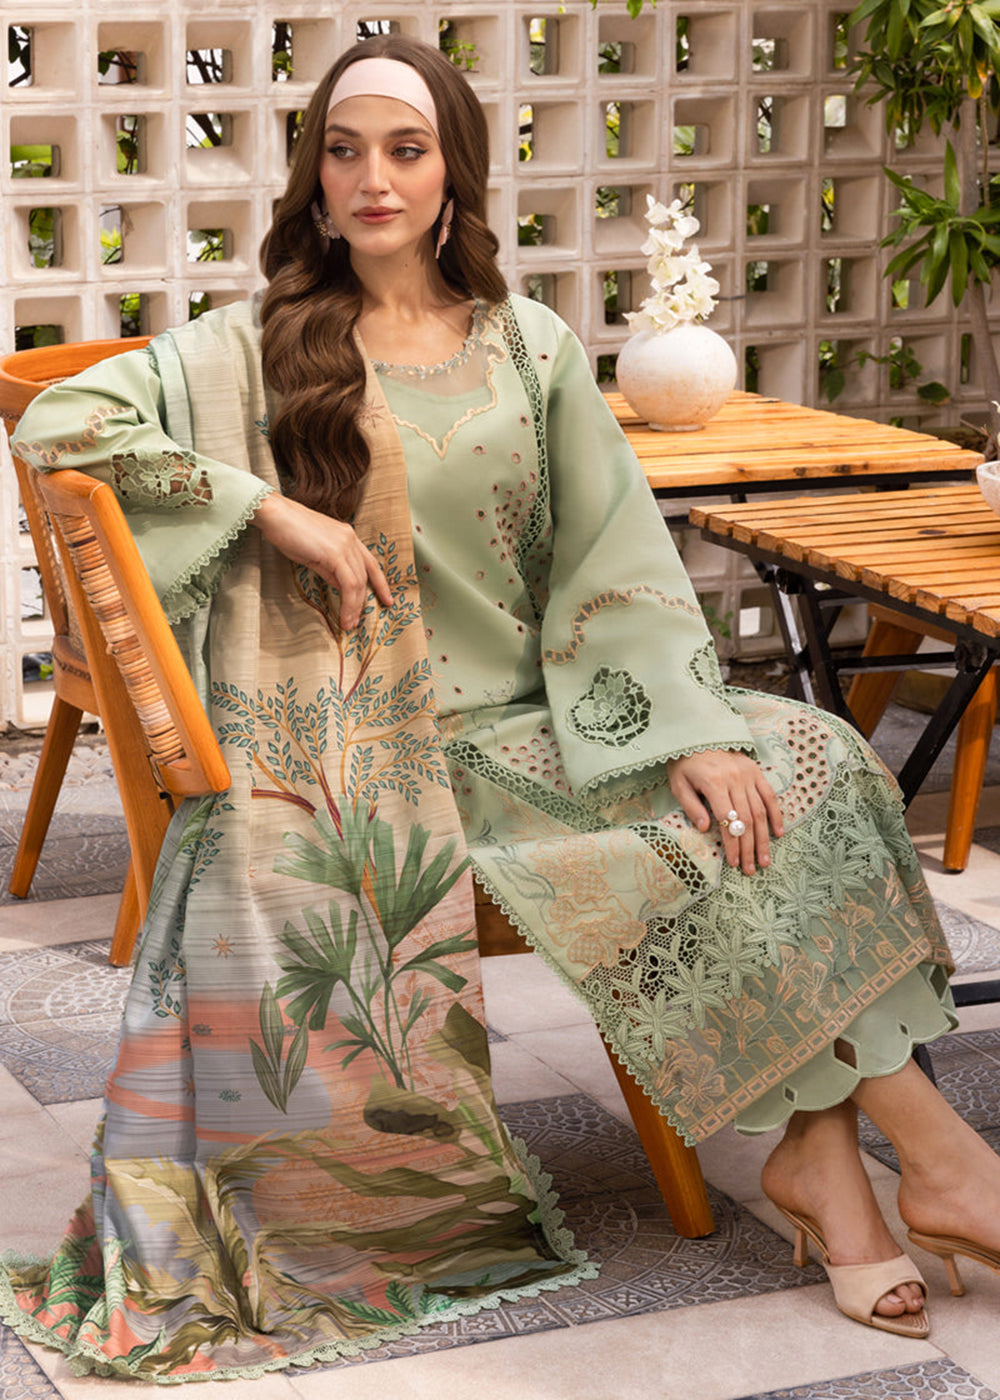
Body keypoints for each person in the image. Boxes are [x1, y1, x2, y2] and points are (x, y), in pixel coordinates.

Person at [4, 31, 1000, 1382]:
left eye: (405, 150)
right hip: (389, 749)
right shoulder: (250, 348)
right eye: (344, 152)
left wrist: (689, 728)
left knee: (802, 759)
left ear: (453, 173)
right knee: (700, 838)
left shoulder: (527, 347)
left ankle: (851, 1170)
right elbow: (59, 425)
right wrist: (271, 510)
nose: (374, 179)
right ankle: (926, 1169)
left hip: (569, 712)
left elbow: (613, 557)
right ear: (313, 179)